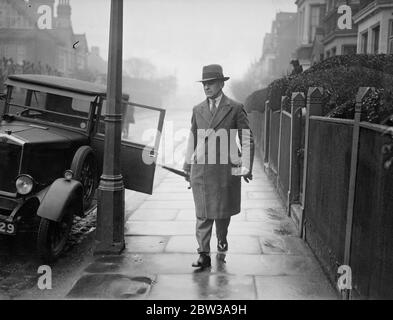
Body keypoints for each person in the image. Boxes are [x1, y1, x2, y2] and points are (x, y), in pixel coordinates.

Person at [183, 64, 255, 269]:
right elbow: (192, 138)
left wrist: (247, 165)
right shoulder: (197, 109)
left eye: (211, 83)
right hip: (202, 170)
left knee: (222, 214)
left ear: (222, 83)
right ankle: (203, 254)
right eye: (204, 83)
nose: (206, 87)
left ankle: (222, 240)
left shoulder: (235, 108)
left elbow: (247, 138)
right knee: (203, 213)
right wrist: (187, 165)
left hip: (225, 171)